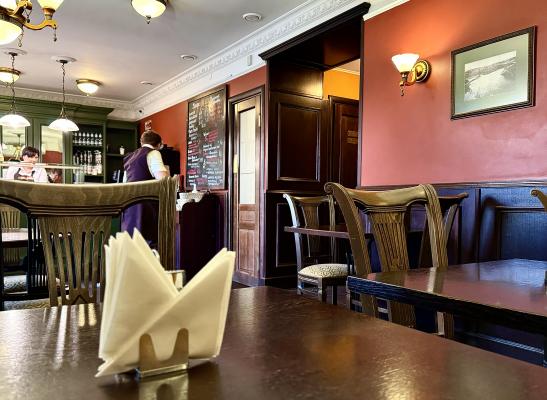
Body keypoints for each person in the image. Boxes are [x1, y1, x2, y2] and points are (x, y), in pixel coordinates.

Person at [121, 130, 169, 247]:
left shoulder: (129, 157)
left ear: (141, 142)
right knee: (148, 246)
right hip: (146, 206)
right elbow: (164, 180)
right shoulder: (153, 153)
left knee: (131, 243)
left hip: (129, 206)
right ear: (159, 144)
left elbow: (124, 183)